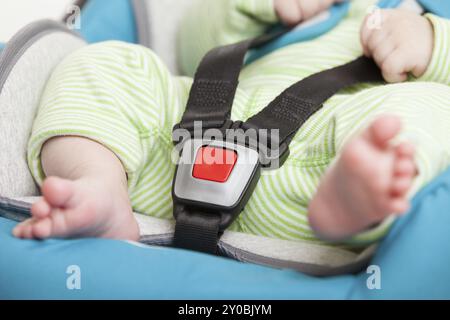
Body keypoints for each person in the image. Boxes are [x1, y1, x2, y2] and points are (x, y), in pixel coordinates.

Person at [14, 0, 450, 253]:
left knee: (430, 107)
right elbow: (195, 44)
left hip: (328, 154)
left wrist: (432, 44)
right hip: (186, 138)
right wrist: (267, 5)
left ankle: (354, 201)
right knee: (110, 59)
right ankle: (98, 184)